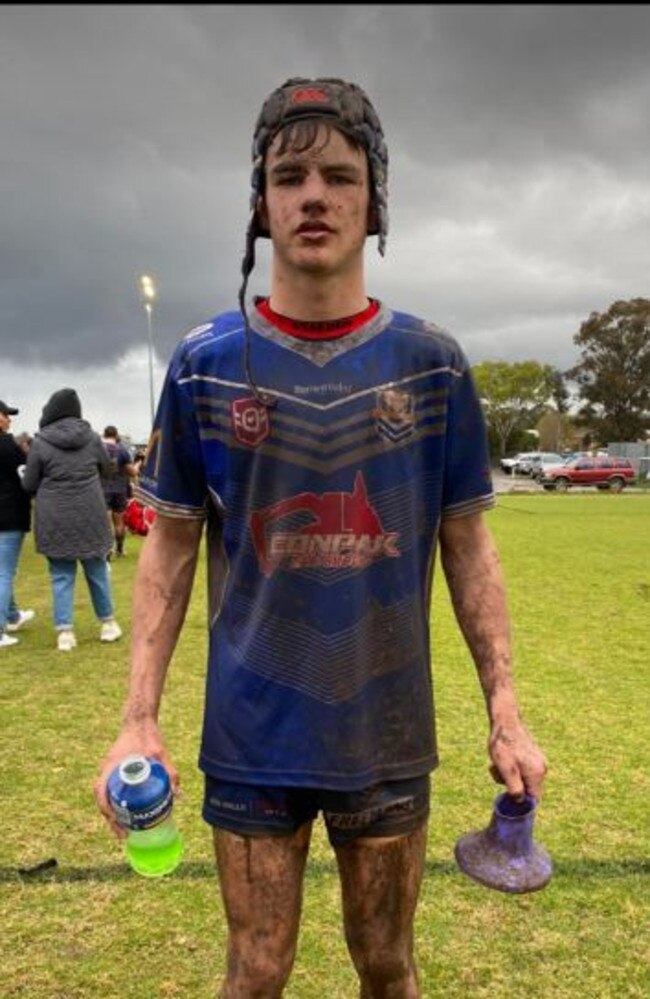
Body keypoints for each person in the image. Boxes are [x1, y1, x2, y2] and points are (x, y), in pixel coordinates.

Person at [95, 77, 547, 996]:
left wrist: (505, 709)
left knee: (387, 965)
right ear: (258, 204)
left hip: (384, 734)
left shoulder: (433, 365)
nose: (313, 196)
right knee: (255, 971)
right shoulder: (204, 365)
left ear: (374, 199)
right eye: (287, 174)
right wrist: (138, 716)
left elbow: (469, 549)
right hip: (252, 734)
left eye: (339, 176)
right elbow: (171, 550)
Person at [22, 388, 122, 651]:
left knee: (61, 575)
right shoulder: (92, 438)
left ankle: (65, 633)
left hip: (54, 515)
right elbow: (107, 469)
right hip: (90, 511)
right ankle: (108, 623)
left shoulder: (40, 442)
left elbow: (30, 482)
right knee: (97, 570)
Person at [0, 399, 35, 647]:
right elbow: (27, 479)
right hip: (8, 516)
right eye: (5, 414)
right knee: (4, 572)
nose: (9, 419)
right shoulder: (8, 446)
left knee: (2, 570)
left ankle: (12, 615)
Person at [100, 425, 138, 558]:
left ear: (104, 435)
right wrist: (139, 463)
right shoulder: (122, 450)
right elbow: (132, 472)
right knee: (119, 522)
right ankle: (120, 550)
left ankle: (107, 550)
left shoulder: (98, 449)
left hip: (103, 489)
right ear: (116, 435)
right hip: (120, 490)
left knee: (106, 522)